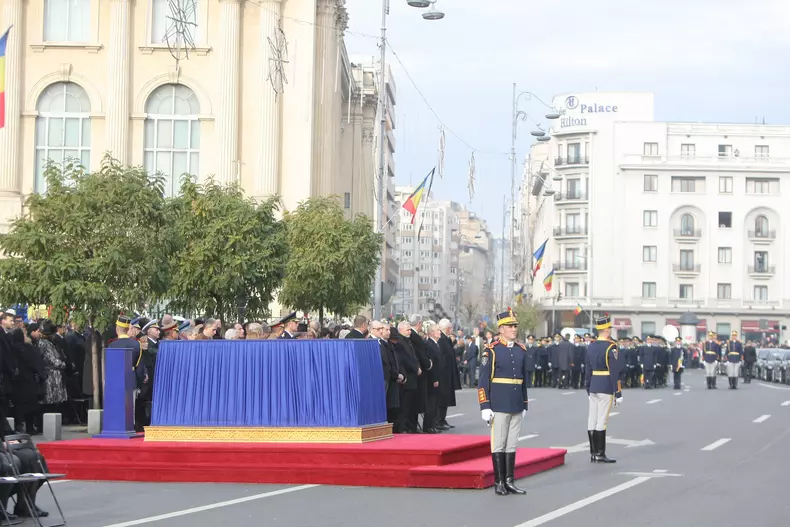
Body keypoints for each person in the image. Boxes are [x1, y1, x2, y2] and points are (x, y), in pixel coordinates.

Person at [478, 308, 528, 496]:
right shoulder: (492, 350)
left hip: (515, 403)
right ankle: (499, 481)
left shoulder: (521, 350)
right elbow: (483, 380)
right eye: (510, 326)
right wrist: (485, 405)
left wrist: (524, 403)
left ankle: (509, 481)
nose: (514, 329)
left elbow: (524, 380)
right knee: (498, 443)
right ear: (501, 329)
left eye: (515, 326)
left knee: (512, 443)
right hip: (499, 402)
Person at [584, 314, 621, 464]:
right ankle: (600, 453)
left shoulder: (591, 346)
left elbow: (587, 368)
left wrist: (588, 386)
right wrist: (618, 392)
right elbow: (614, 370)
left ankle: (593, 453)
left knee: (592, 418)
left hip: (593, 384)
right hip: (605, 384)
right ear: (606, 330)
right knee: (601, 421)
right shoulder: (611, 347)